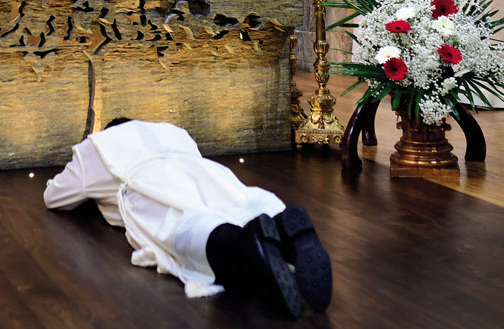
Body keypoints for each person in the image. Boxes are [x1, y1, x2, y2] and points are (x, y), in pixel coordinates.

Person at [43, 119, 332, 317]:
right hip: (205, 171)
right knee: (240, 201)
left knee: (184, 222)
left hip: (149, 180)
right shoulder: (171, 132)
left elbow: (55, 197)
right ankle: (282, 225)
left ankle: (246, 246)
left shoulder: (99, 145)